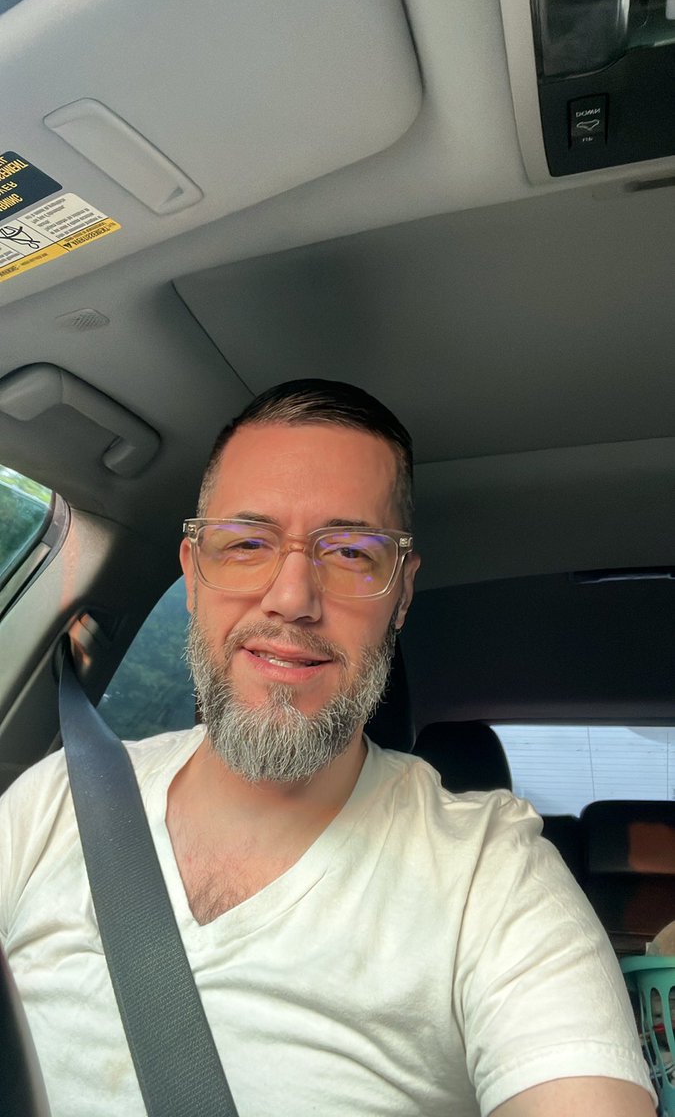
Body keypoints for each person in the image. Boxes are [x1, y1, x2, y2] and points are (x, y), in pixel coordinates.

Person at [0, 379, 656, 1117]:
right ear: (192, 571)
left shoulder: (490, 872)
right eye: (247, 543)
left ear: (401, 594)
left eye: (349, 552)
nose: (291, 597)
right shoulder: (52, 801)